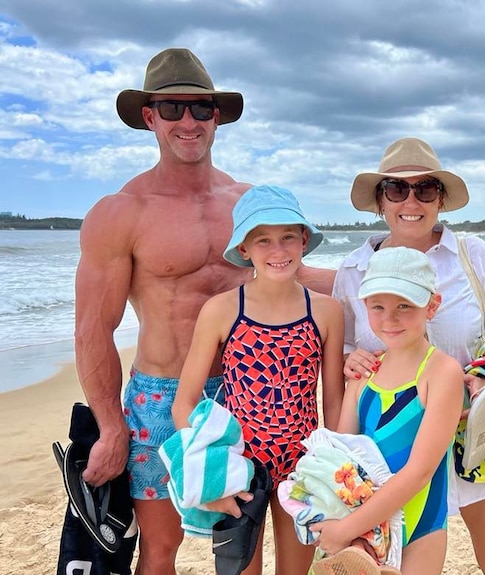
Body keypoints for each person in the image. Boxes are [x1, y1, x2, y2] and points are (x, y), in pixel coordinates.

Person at [73, 48, 332, 574]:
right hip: (161, 397)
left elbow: (288, 277)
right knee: (160, 550)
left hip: (249, 395)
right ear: (150, 118)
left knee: (244, 548)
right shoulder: (120, 213)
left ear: (217, 116)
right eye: (172, 109)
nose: (187, 121)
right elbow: (93, 328)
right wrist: (109, 425)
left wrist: (388, 273)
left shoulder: (246, 204)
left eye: (200, 108)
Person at [332, 137, 485, 574]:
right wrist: (348, 359)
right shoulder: (354, 270)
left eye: (425, 189)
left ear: (441, 199)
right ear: (379, 200)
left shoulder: (474, 256)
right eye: (396, 189)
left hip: (475, 441)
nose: (410, 201)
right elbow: (349, 345)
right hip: (393, 447)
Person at [171, 185, 345, 575]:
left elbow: (333, 402)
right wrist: (212, 472)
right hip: (239, 466)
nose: (278, 251)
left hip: (303, 467)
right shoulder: (222, 310)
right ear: (245, 249)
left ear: (304, 241)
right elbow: (183, 404)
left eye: (287, 237)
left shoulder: (327, 311)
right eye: (262, 240)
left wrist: (331, 469)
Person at [313, 247, 464, 575]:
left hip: (419, 526)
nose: (389, 319)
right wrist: (350, 530)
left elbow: (419, 472)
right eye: (377, 306)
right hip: (359, 534)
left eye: (404, 306)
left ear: (432, 306)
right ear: (364, 306)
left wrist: (348, 528)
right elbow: (339, 457)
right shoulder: (365, 372)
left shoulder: (441, 373)